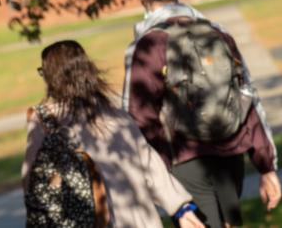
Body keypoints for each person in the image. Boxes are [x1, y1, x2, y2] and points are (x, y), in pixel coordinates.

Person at [123, 0, 282, 227]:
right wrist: (266, 166)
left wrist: (154, 175)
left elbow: (139, 115)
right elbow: (247, 97)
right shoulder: (217, 33)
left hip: (184, 159)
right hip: (230, 153)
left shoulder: (149, 45)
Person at [23, 40, 205, 228]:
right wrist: (180, 208)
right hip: (139, 218)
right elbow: (150, 164)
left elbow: (31, 181)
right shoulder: (115, 114)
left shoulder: (45, 121)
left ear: (53, 76)